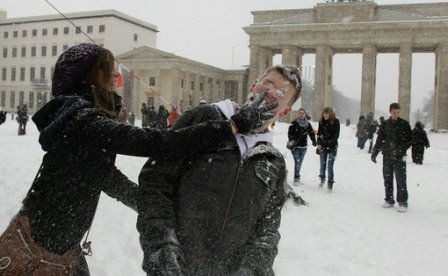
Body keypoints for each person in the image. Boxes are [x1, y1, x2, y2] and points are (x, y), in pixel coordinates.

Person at [0, 43, 270, 276]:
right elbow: (155, 143)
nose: (116, 75)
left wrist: (155, 206)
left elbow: (105, 176)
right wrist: (229, 127)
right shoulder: (81, 120)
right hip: (42, 244)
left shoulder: (79, 118)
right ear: (89, 77)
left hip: (60, 243)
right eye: (108, 70)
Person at [137, 64, 302, 276]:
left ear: (286, 109)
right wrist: (161, 247)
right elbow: (155, 183)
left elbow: (267, 229)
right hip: (177, 267)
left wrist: (253, 269)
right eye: (267, 83)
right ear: (254, 85)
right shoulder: (205, 117)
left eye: (280, 92)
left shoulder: (273, 161)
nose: (270, 91)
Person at [371, 103, 412, 213]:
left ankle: (403, 202)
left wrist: (400, 149)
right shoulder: (385, 124)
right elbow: (380, 139)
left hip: (399, 157)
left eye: (398, 113)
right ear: (390, 112)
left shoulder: (405, 124)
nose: (396, 115)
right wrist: (375, 153)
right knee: (387, 179)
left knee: (401, 180)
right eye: (394, 112)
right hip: (387, 156)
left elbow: (409, 141)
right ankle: (389, 199)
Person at [287, 108, 316, 185]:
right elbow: (289, 134)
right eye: (300, 113)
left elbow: (311, 133)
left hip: (304, 147)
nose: (301, 114)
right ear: (298, 114)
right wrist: (292, 141)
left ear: (305, 114)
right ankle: (296, 179)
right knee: (297, 162)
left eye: (302, 113)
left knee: (300, 163)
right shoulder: (294, 123)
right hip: (295, 147)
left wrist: (314, 141)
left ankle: (297, 178)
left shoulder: (307, 124)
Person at [317, 107, 340, 190]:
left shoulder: (336, 121)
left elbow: (336, 136)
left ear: (330, 114)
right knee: (322, 165)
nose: (325, 115)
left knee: (330, 165)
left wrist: (328, 144)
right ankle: (322, 179)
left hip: (332, 147)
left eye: (327, 113)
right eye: (324, 113)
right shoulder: (321, 121)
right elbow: (319, 134)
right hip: (322, 146)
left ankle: (330, 183)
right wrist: (319, 144)